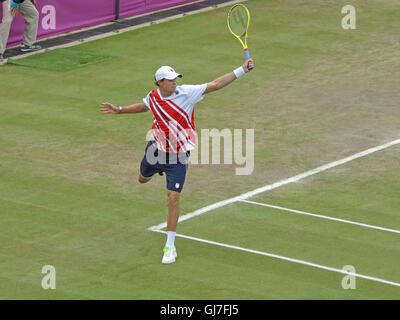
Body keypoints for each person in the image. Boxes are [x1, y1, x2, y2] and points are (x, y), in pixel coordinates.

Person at [100, 58, 254, 264]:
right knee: (142, 179)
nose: (175, 82)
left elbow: (216, 84)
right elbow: (144, 107)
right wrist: (119, 110)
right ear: (159, 83)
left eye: (175, 79)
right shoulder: (153, 97)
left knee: (173, 197)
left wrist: (242, 70)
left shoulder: (188, 93)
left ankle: (169, 246)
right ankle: (154, 171)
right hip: (154, 151)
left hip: (179, 157)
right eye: (170, 80)